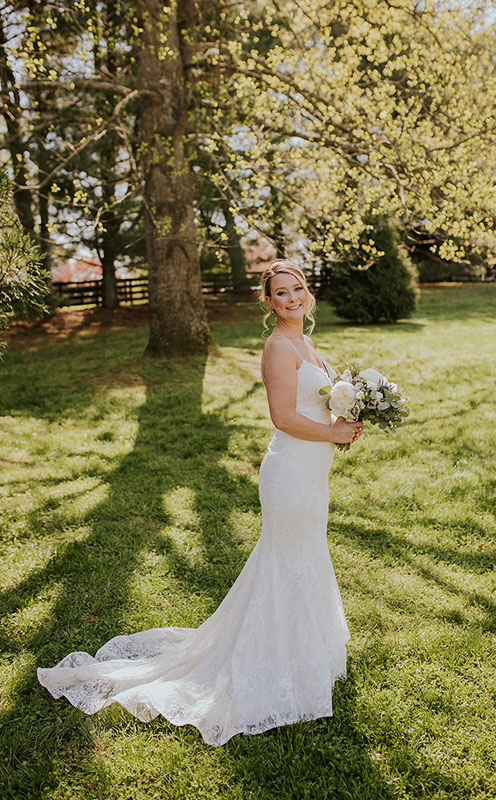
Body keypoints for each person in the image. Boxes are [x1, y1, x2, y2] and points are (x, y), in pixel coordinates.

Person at [37, 259, 363, 746]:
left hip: (313, 472)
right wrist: (332, 431)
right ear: (268, 302)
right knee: (286, 558)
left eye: (297, 288)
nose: (292, 298)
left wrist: (346, 420)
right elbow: (282, 418)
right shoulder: (277, 347)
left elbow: (313, 404)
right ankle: (274, 662)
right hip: (291, 472)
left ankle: (301, 650)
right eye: (281, 292)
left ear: (306, 292)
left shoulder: (306, 341)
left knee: (305, 553)